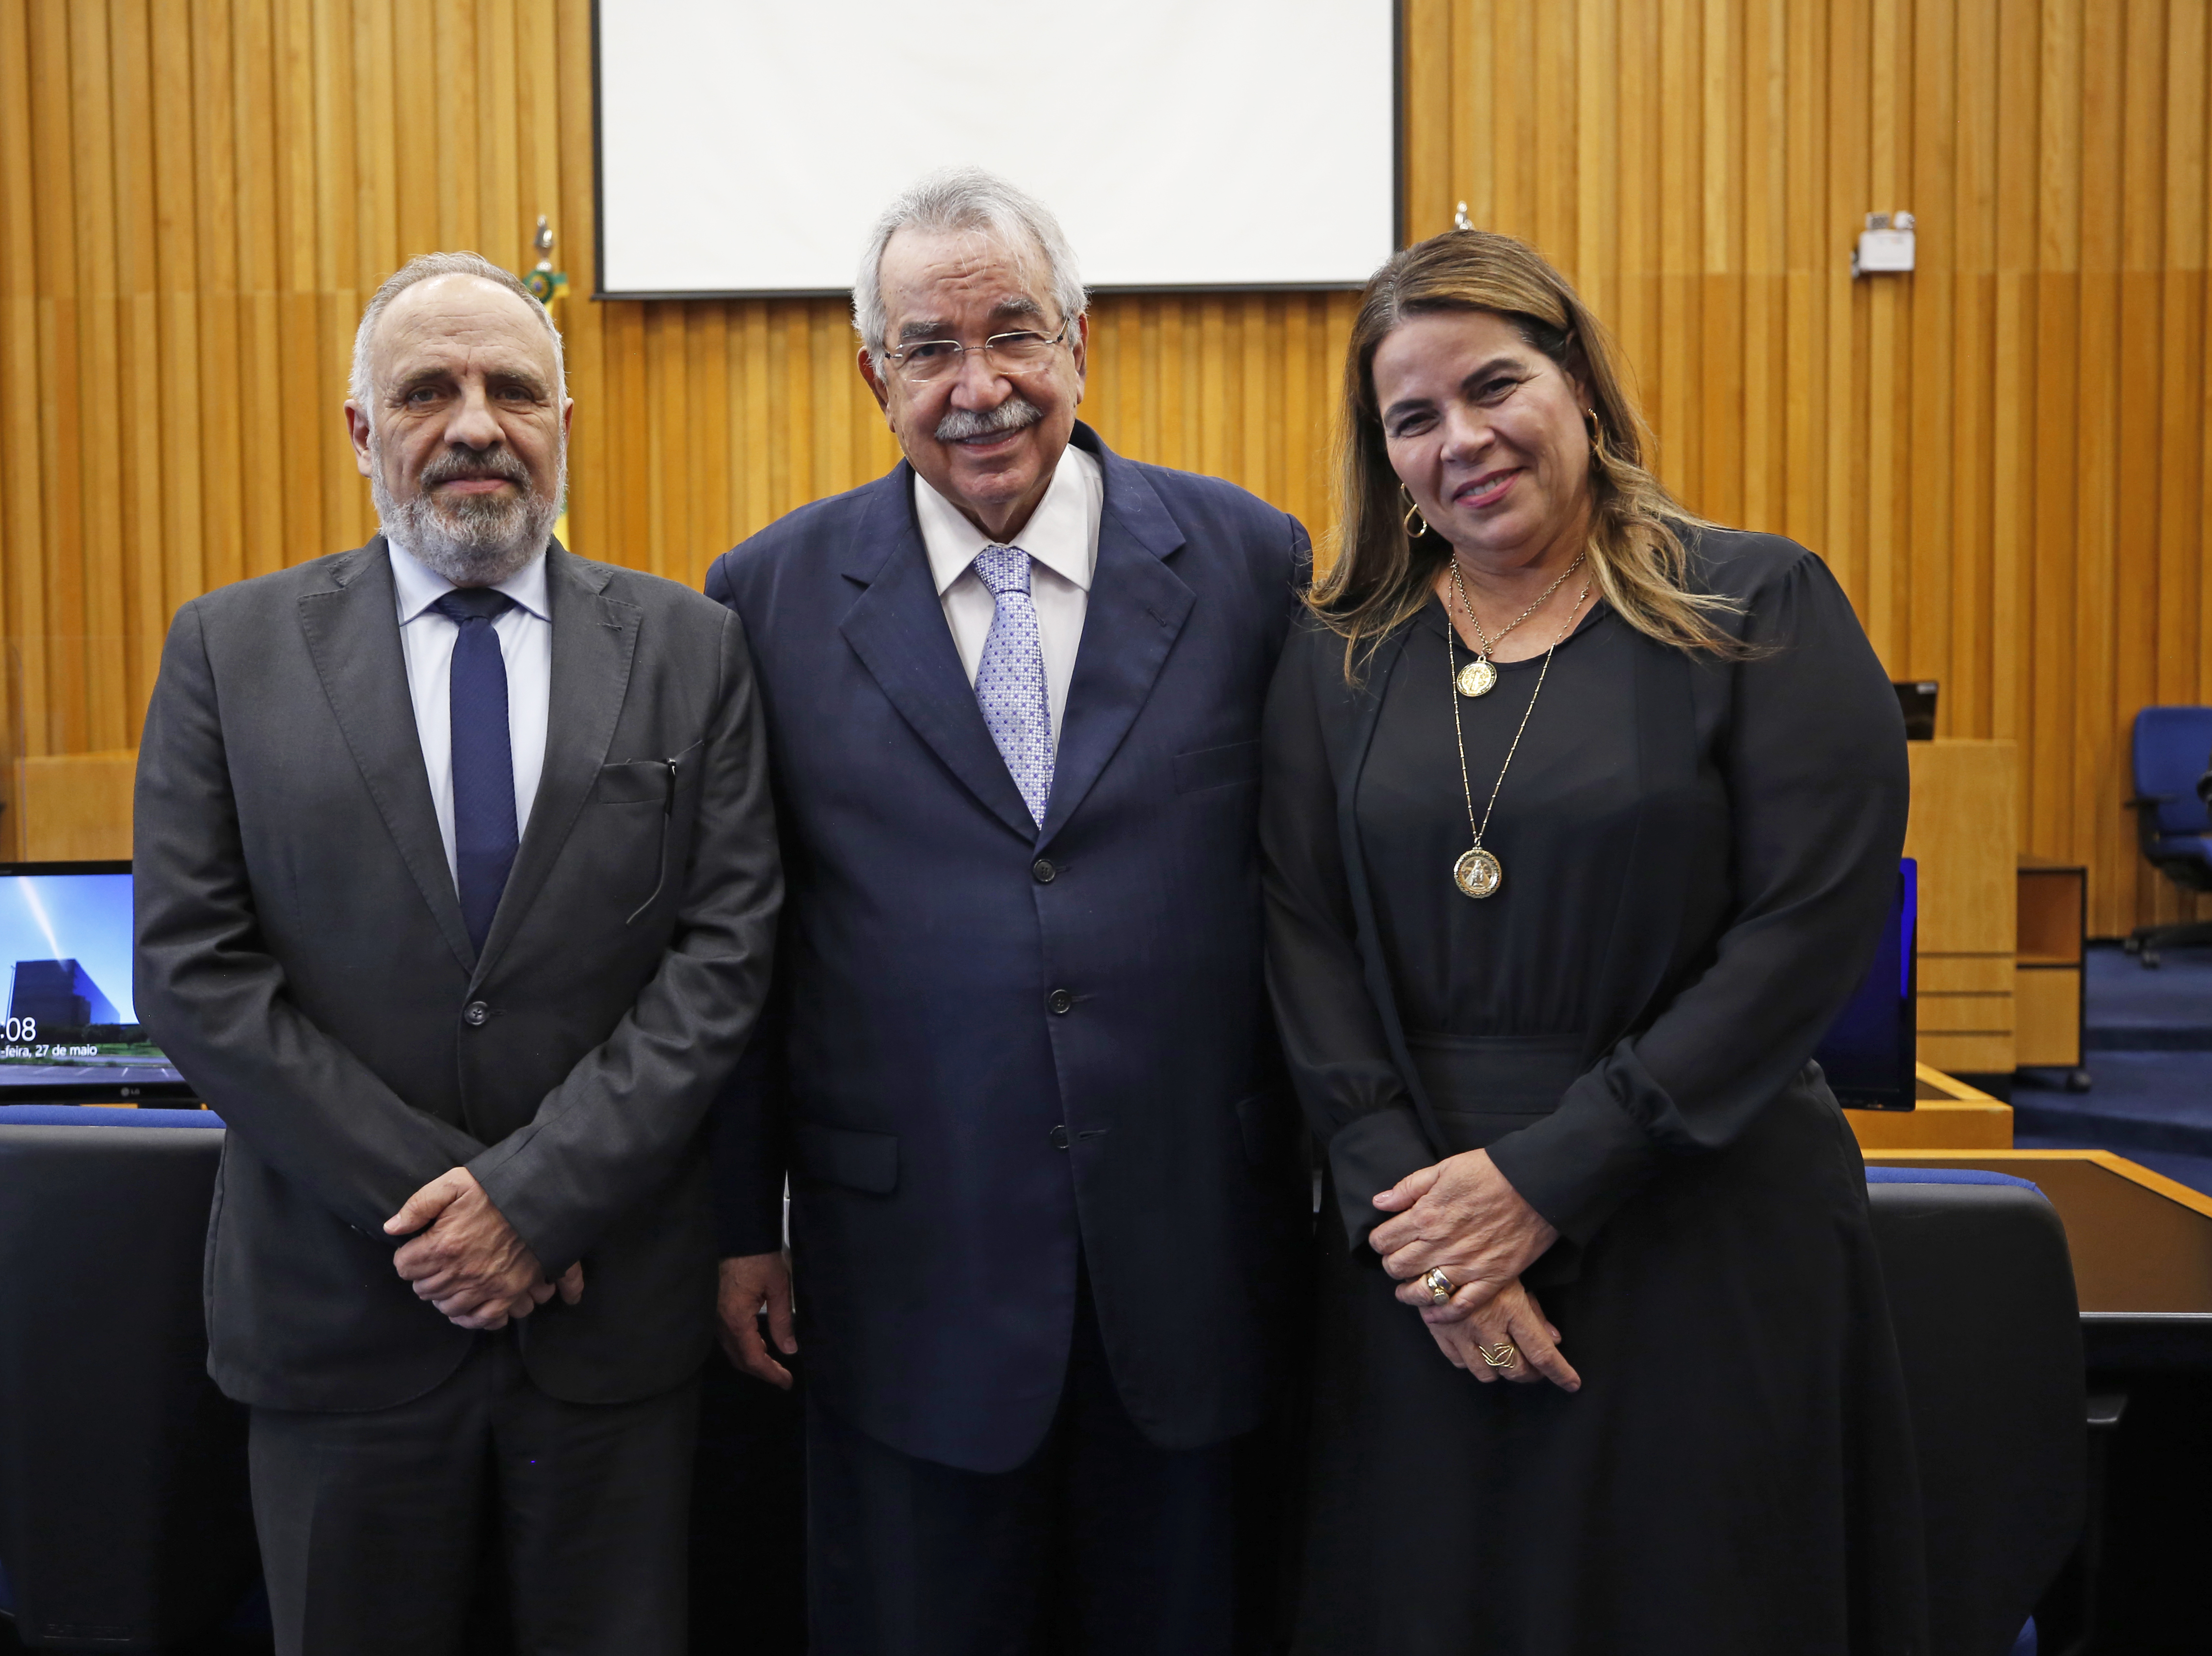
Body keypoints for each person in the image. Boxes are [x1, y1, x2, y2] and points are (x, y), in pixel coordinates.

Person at [1261, 228, 1927, 1653]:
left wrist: (1551, 1175)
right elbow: (1299, 938)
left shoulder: (1753, 604)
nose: (1464, 440)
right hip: (1419, 1243)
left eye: (1494, 385)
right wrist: (1418, 1224)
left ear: (1575, 383)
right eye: (1412, 418)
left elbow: (1807, 929)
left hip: (1695, 1210)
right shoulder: (1339, 654)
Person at [132, 250, 778, 1656]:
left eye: (513, 389)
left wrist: (539, 1204)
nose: (476, 423)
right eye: (427, 389)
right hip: (340, 1318)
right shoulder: (227, 654)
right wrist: (459, 1217)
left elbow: (723, 957)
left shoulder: (690, 648)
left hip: (610, 1331)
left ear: (561, 420)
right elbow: (194, 970)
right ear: (363, 430)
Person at [705, 169, 1308, 1655]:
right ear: (873, 375)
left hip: (1196, 1257)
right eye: (929, 347)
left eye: (1013, 334)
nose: (978, 387)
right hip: (905, 1281)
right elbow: (740, 942)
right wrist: (736, 1225)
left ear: (1079, 340)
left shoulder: (1249, 565)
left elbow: (1307, 899)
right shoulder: (763, 599)